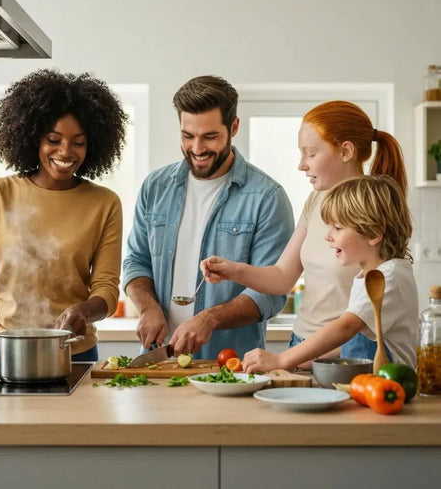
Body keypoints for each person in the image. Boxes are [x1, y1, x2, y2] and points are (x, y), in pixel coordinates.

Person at [0, 69, 127, 361]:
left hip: (74, 354)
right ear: (33, 138)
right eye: (53, 139)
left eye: (78, 142)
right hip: (5, 351)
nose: (65, 151)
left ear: (93, 144)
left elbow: (107, 290)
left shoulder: (104, 203)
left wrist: (83, 311)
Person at [201, 100, 409, 362]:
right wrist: (232, 270)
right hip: (301, 342)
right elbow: (281, 276)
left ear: (346, 151)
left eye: (310, 154)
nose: (301, 165)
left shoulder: (374, 208)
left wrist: (285, 359)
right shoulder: (315, 200)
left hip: (348, 349)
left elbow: (355, 320)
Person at [122, 75, 294, 360]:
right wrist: (148, 307)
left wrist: (210, 318)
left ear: (234, 127)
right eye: (188, 136)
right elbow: (135, 261)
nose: (198, 148)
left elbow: (271, 293)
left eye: (210, 137)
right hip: (158, 363)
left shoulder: (266, 197)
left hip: (230, 366)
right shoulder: (155, 187)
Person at [240, 175, 418, 372]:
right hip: (370, 386)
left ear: (373, 234)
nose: (328, 236)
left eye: (338, 228)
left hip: (391, 386)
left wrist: (282, 359)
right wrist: (307, 360)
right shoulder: (371, 275)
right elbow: (354, 338)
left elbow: (346, 328)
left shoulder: (386, 278)